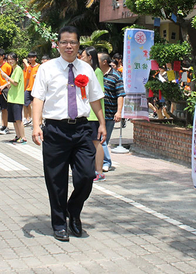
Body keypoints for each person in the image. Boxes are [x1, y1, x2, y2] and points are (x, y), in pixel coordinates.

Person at [31, 26, 106, 242]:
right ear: (58, 45)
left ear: (78, 45)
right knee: (56, 180)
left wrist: (101, 123)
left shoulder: (86, 69)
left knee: (86, 176)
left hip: (82, 128)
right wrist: (36, 125)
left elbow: (94, 98)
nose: (69, 46)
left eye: (72, 42)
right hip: (55, 129)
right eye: (64, 42)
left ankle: (73, 210)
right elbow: (38, 98)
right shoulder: (47, 69)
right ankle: (58, 223)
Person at [81, 47, 105, 181]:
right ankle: (92, 170)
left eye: (84, 56)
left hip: (94, 115)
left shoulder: (97, 72)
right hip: (87, 113)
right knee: (90, 142)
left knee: (97, 142)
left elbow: (98, 94)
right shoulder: (88, 71)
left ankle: (100, 171)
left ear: (90, 57)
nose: (81, 59)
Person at [98, 53, 125, 173]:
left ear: (104, 61)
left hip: (109, 113)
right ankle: (102, 162)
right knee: (99, 139)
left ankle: (106, 162)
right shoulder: (96, 73)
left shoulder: (116, 75)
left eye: (97, 59)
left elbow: (120, 95)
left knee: (104, 140)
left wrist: (119, 112)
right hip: (97, 113)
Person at [3, 53, 26, 143]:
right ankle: (18, 135)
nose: (10, 61)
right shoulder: (13, 70)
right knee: (13, 119)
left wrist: (7, 77)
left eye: (12, 59)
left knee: (18, 119)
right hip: (11, 98)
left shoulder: (18, 69)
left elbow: (15, 82)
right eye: (8, 59)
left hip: (17, 98)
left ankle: (23, 137)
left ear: (16, 59)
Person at [23, 51, 39, 126]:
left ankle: (35, 120)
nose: (30, 59)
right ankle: (27, 118)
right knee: (25, 103)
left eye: (32, 57)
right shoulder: (28, 67)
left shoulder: (39, 66)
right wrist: (25, 88)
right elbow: (27, 79)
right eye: (29, 57)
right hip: (28, 89)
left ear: (35, 58)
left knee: (35, 105)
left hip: (36, 89)